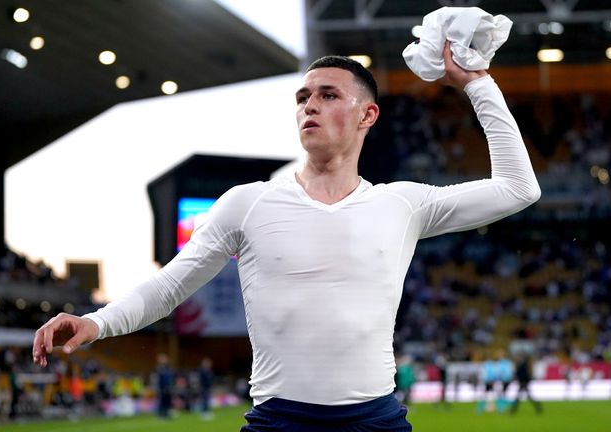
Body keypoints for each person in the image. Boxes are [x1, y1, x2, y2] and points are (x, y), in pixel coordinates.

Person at [32, 40, 540, 430]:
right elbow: (170, 287)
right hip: (279, 421)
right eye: (302, 98)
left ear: (368, 115)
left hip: (376, 422)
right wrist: (98, 322)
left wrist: (478, 84)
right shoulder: (247, 203)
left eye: (327, 95)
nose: (308, 106)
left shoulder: (402, 203)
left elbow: (518, 188)